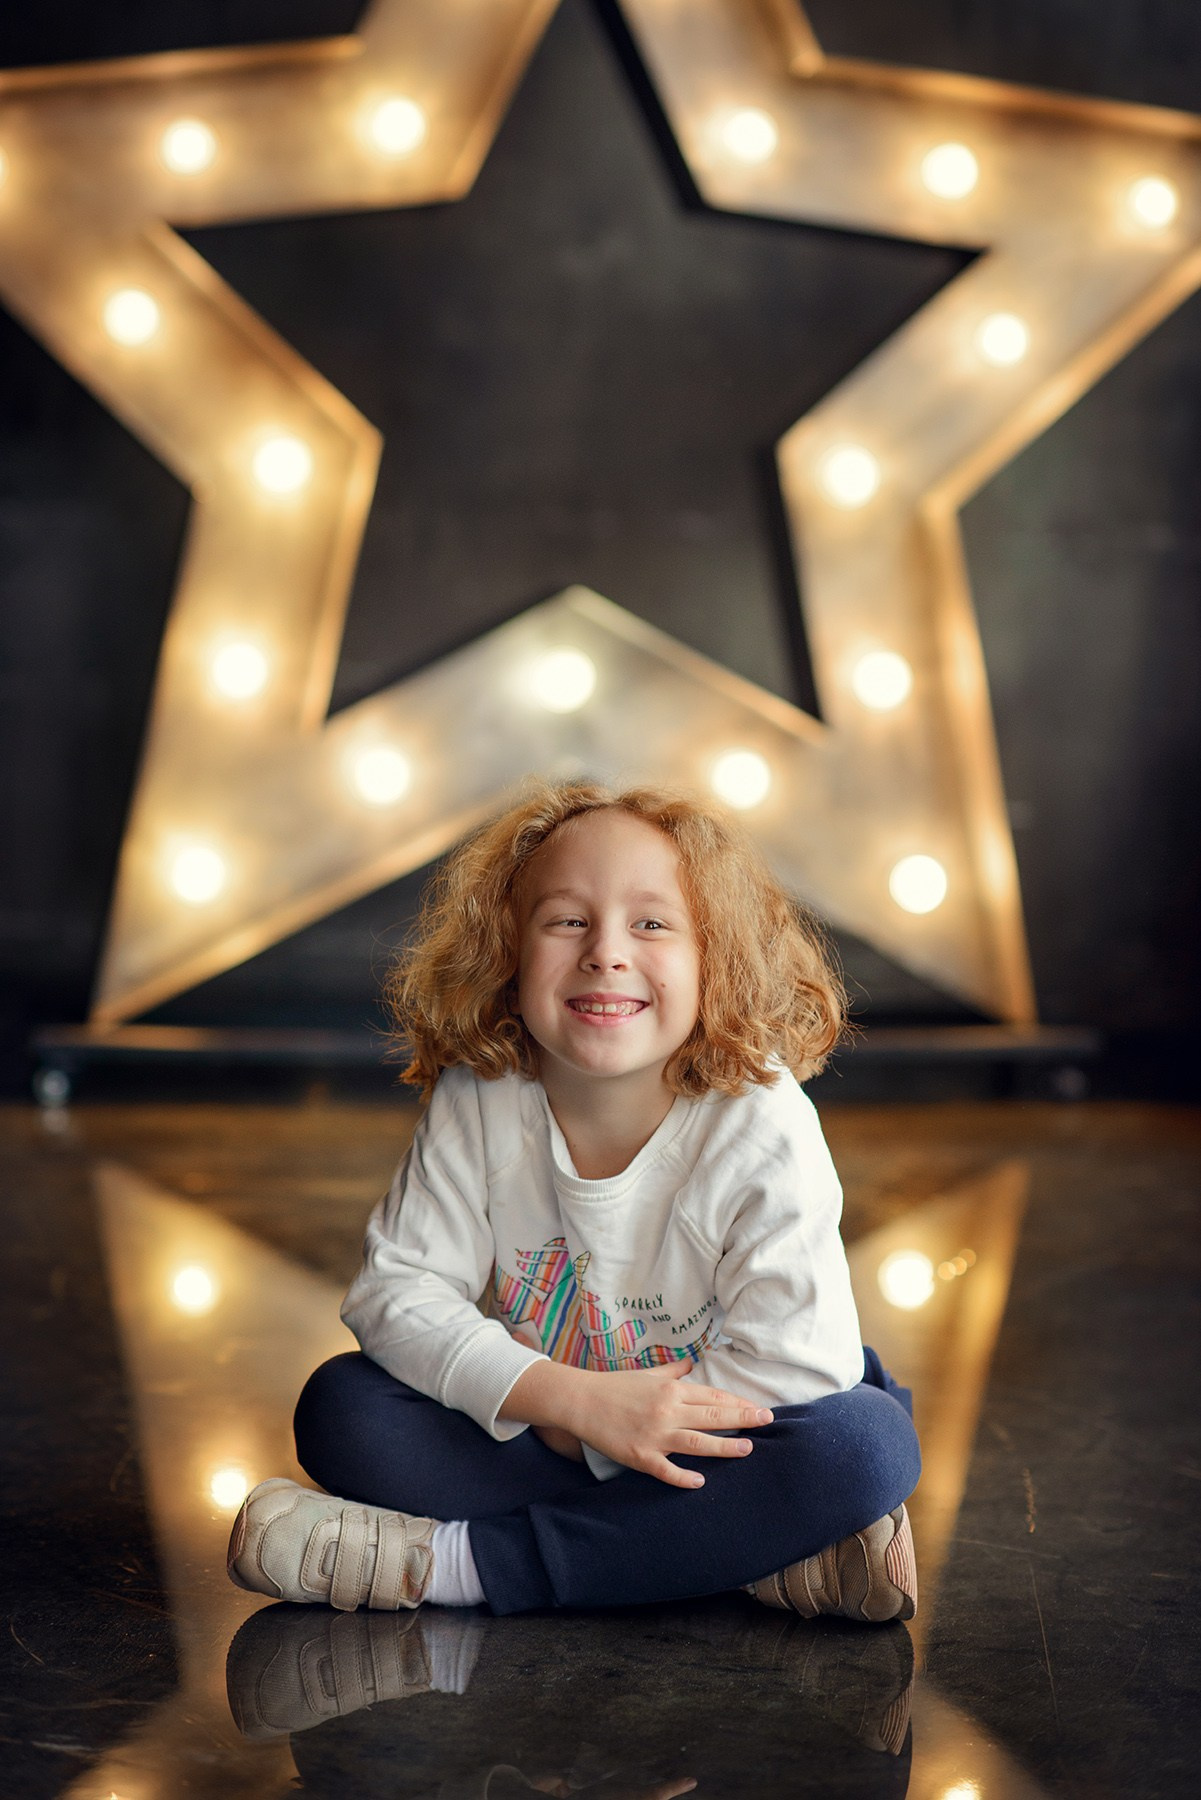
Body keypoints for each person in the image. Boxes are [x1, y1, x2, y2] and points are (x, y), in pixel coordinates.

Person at [227, 781, 921, 1620]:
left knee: (858, 1448)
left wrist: (609, 1430)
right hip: (556, 1420)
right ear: (508, 951)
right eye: (566, 920)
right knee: (346, 1412)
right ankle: (742, 1555)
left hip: (704, 1434)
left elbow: (799, 1366)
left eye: (653, 923)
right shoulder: (482, 1091)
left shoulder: (759, 1119)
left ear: (717, 959)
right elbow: (396, 1292)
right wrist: (579, 1408)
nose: (605, 953)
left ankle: (448, 1567)